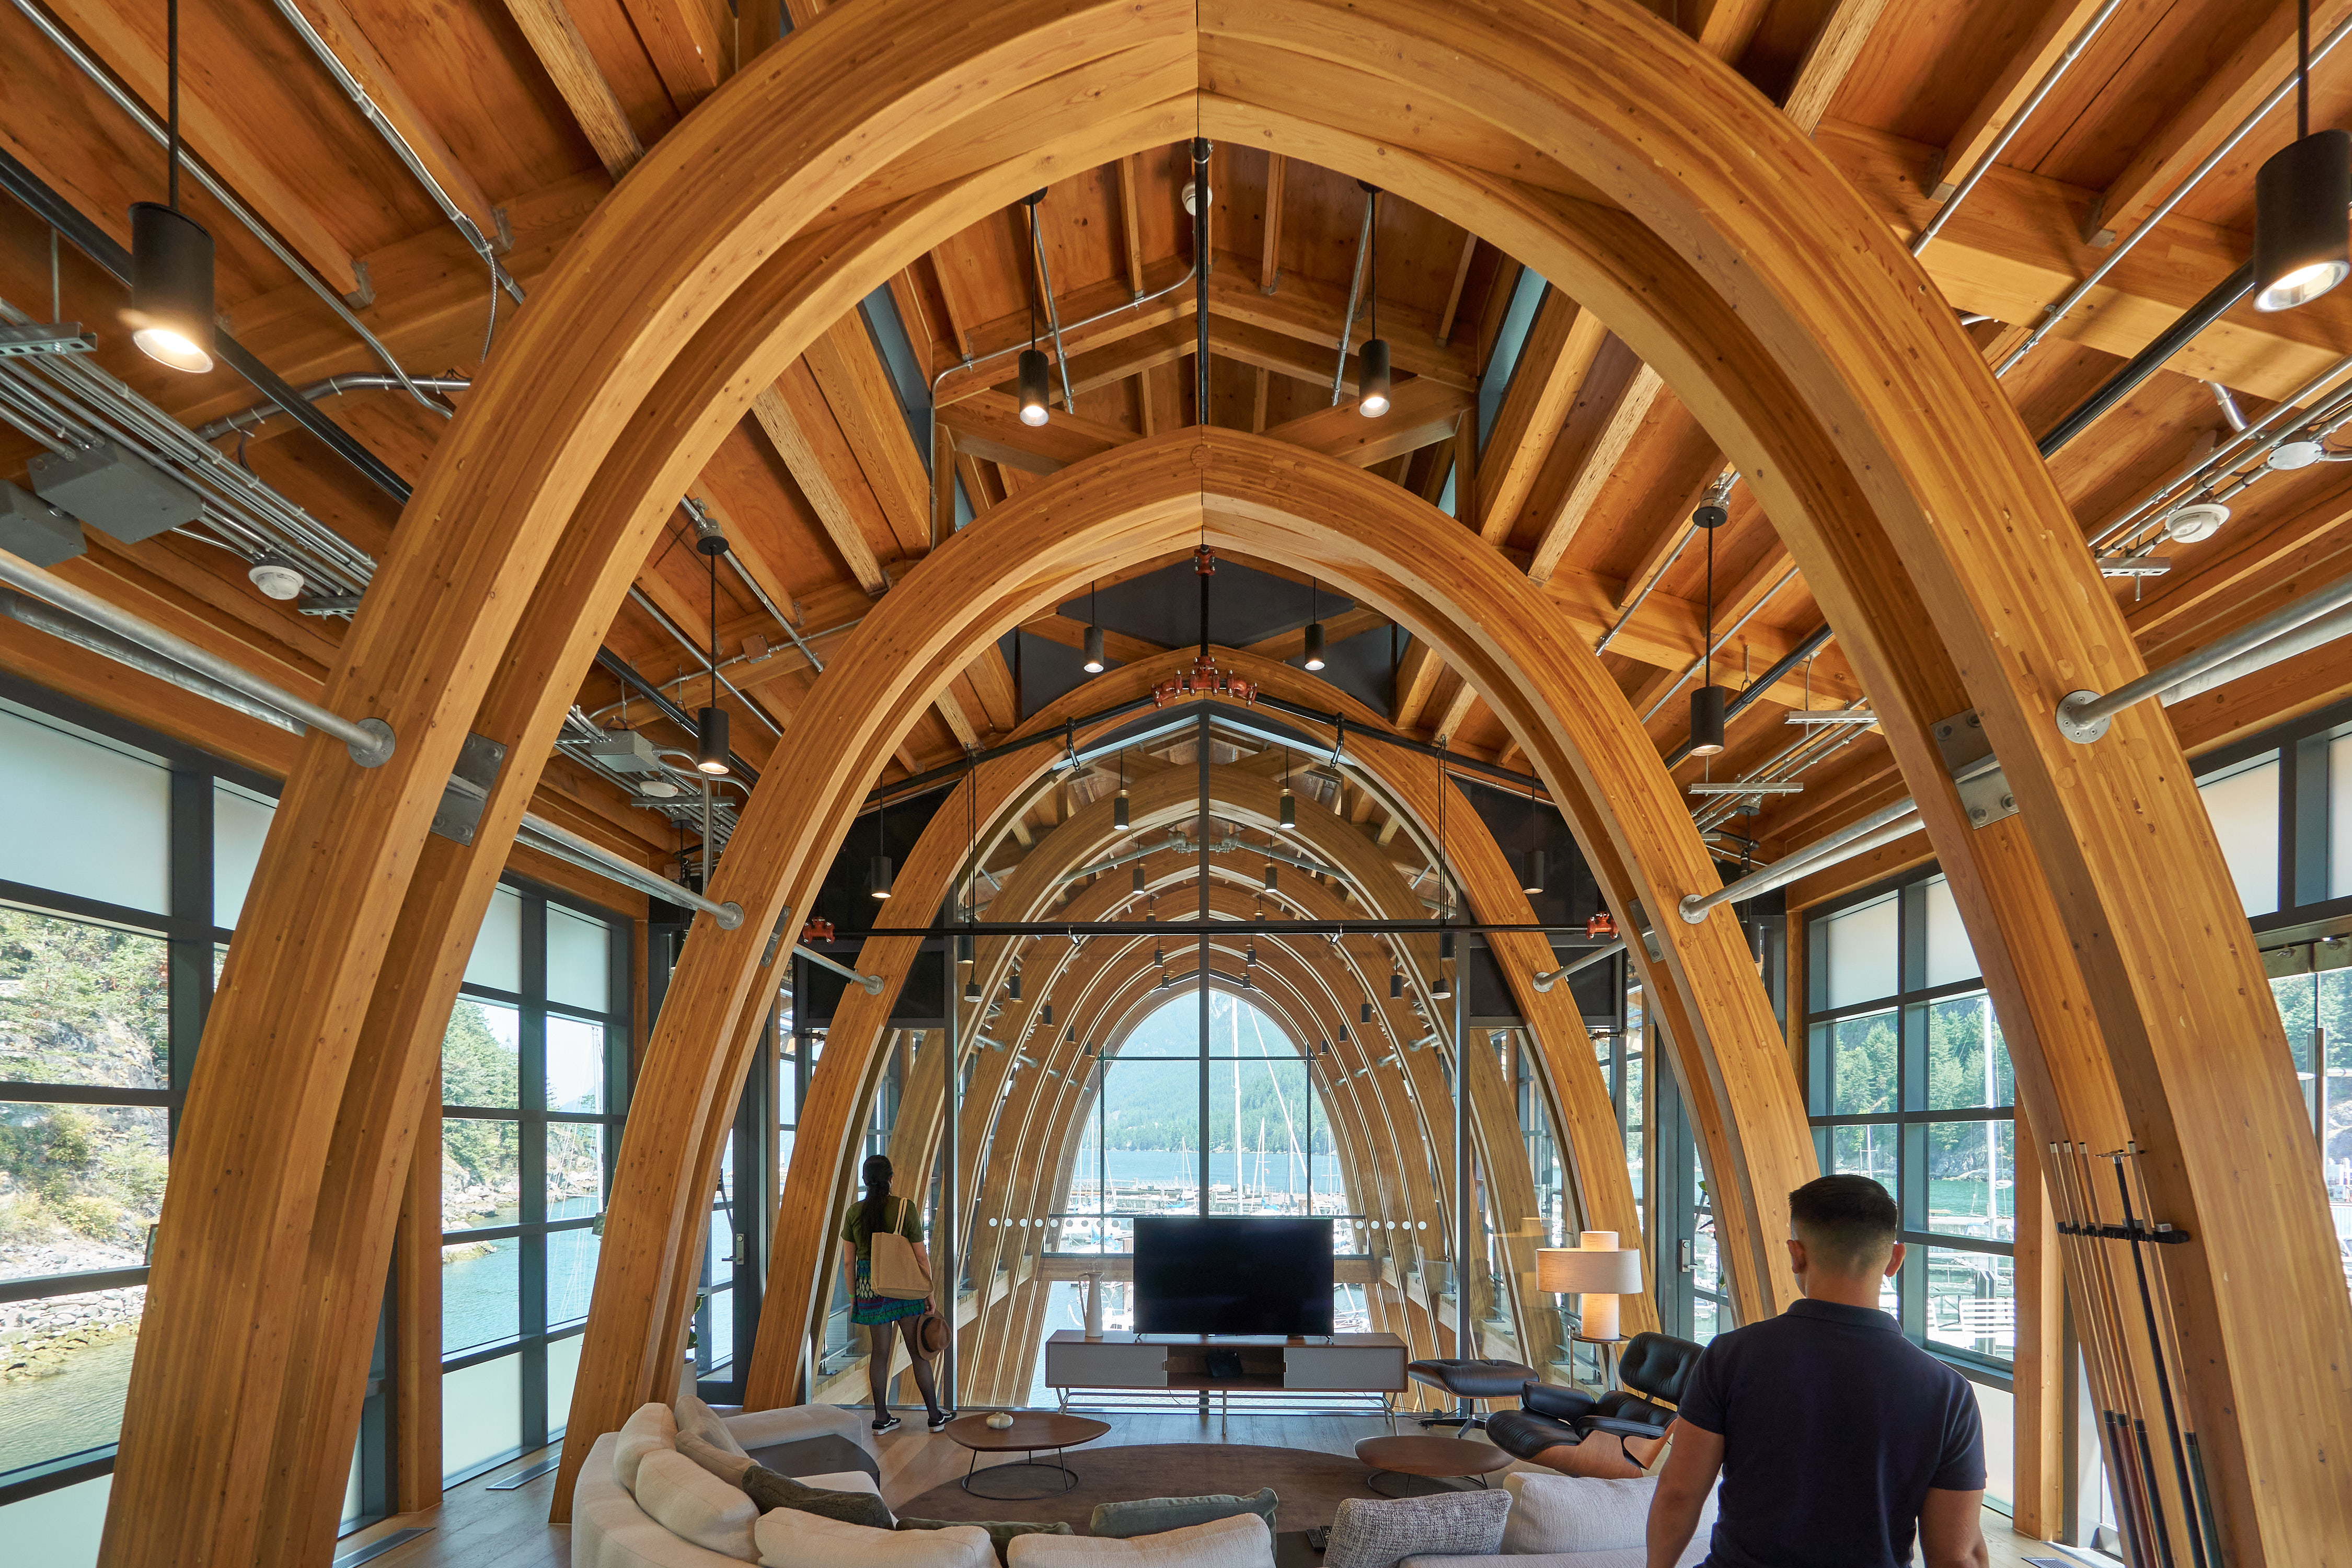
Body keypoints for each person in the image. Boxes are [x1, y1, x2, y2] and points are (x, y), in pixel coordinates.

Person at [1647, 1175, 1988, 1568]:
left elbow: (1679, 1493)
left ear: (1797, 1255)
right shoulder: (1948, 1392)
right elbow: (1957, 1555)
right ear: (1895, 1259)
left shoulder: (1731, 1356)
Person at [838, 1155, 951, 1433]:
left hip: (869, 1286)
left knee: (880, 1354)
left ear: (865, 1181)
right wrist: (929, 1291)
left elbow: (848, 1262)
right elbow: (920, 1257)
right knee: (918, 1353)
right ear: (891, 1179)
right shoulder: (905, 1208)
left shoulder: (854, 1213)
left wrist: (855, 1298)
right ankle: (935, 1416)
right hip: (903, 1285)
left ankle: (880, 1419)